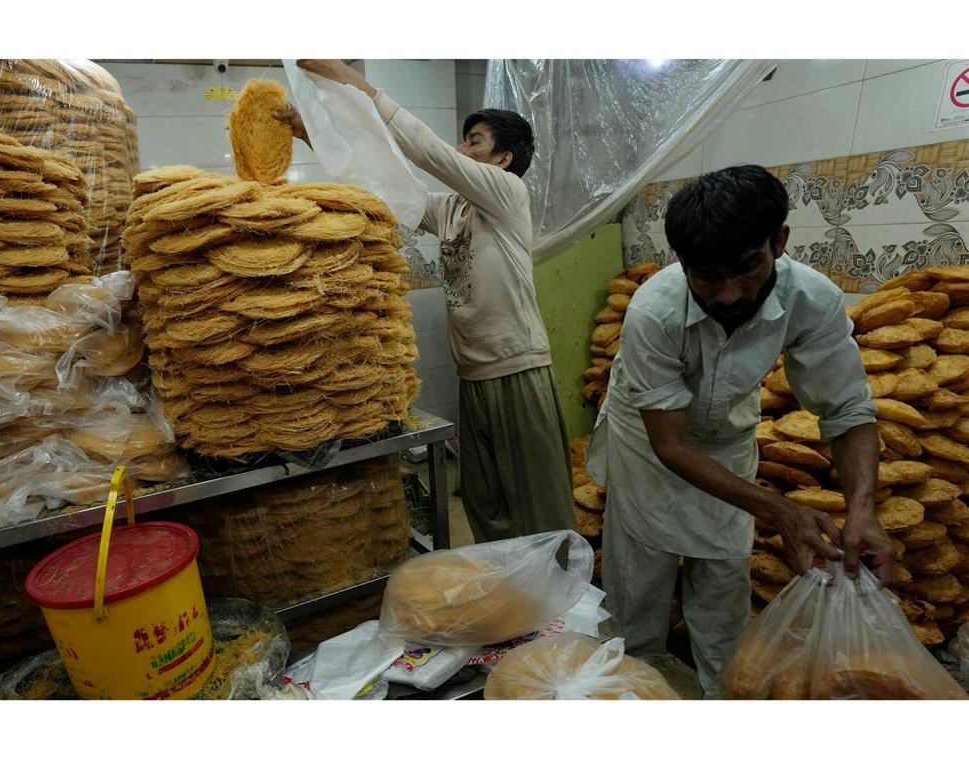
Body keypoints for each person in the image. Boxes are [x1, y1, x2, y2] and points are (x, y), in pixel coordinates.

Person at [585, 164, 895, 697]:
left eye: (746, 268)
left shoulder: (811, 299)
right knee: (639, 582)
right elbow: (671, 444)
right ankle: (629, 689)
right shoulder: (653, 312)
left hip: (727, 437)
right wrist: (778, 509)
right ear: (682, 263)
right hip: (648, 441)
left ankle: (723, 703)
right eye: (707, 276)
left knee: (724, 580)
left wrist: (862, 510)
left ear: (779, 241)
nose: (728, 294)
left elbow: (846, 411)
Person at [275, 60, 575, 542]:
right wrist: (313, 134)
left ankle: (561, 595)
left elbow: (431, 154)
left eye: (475, 140)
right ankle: (507, 584)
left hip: (516, 367)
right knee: (485, 496)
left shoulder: (507, 193)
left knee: (537, 496)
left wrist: (354, 83)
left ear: (502, 159)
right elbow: (388, 192)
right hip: (474, 373)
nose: (462, 147)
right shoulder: (454, 208)